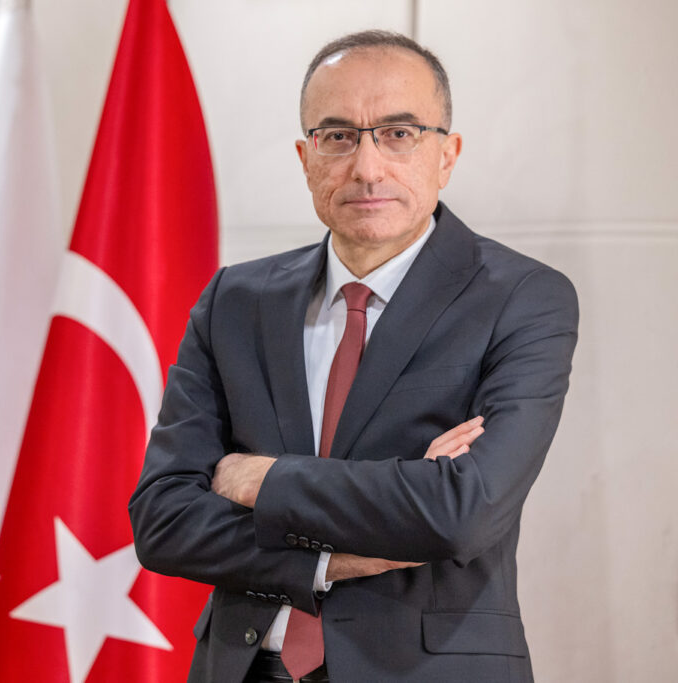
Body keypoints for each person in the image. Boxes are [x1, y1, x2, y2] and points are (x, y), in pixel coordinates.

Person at [129, 30, 578, 683]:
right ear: (305, 156)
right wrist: (330, 560)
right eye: (338, 136)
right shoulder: (235, 299)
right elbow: (163, 519)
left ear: (447, 154)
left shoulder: (522, 298)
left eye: (399, 134)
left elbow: (463, 511)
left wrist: (262, 480)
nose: (367, 168)